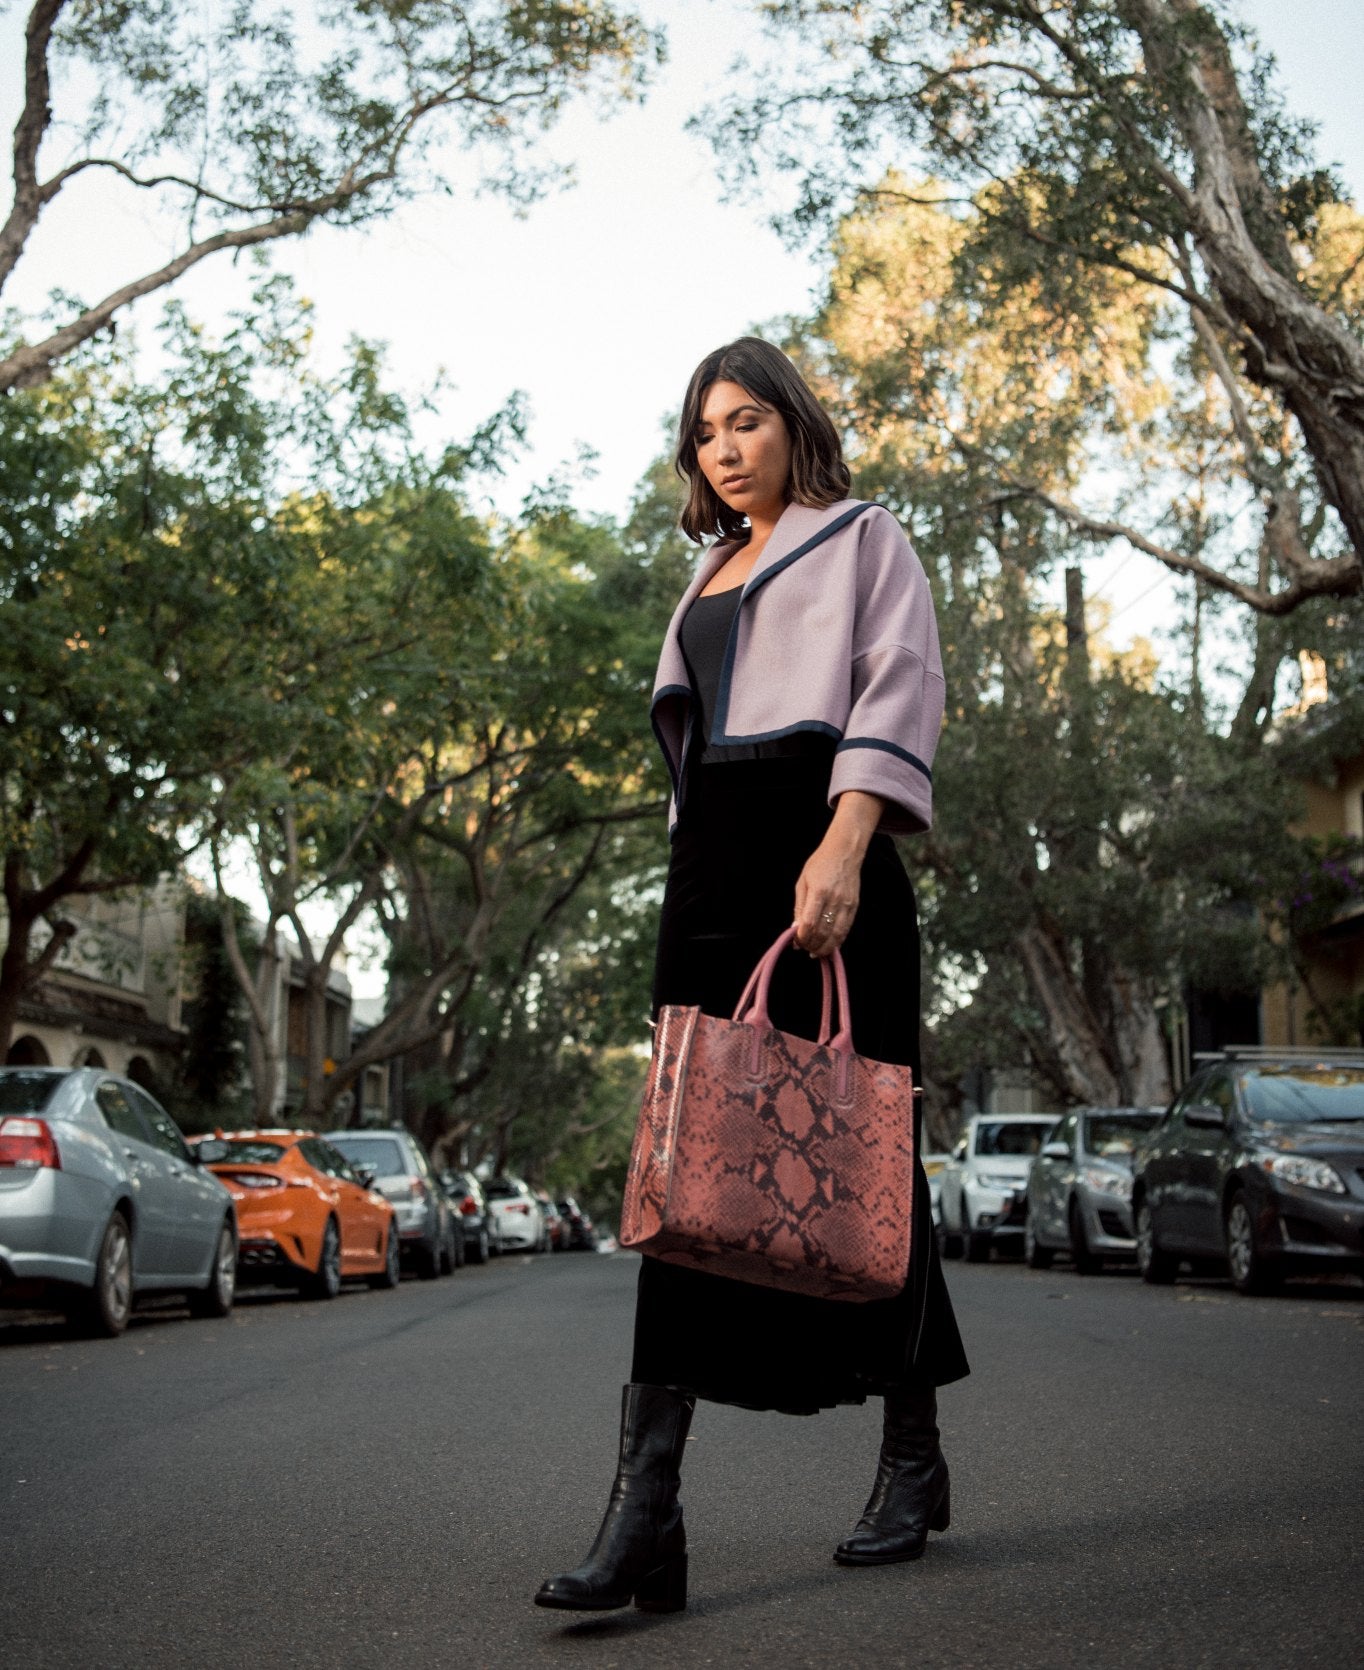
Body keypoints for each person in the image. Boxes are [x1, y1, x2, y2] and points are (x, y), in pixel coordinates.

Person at [535, 338, 969, 1616]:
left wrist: (842, 847)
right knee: (687, 1171)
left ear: (791, 423)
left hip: (820, 857)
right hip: (710, 879)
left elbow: (901, 684)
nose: (722, 450)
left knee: (858, 1158)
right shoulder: (705, 574)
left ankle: (908, 1454)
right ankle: (647, 1516)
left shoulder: (860, 538)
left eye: (743, 422)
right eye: (701, 434)